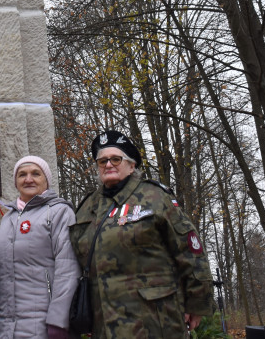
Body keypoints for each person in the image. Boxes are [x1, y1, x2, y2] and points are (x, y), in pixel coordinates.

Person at [70, 130, 213, 338]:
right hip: (105, 324)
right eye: (102, 161)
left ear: (131, 164)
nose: (108, 165)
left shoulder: (155, 197)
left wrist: (197, 303)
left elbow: (189, 251)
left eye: (116, 159)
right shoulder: (86, 207)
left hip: (155, 321)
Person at [0, 156, 79, 339]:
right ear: (16, 182)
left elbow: (68, 268)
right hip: (6, 326)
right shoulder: (9, 218)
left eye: (35, 174)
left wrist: (59, 320)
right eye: (22, 174)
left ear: (46, 180)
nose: (28, 179)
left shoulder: (59, 212)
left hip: (44, 324)